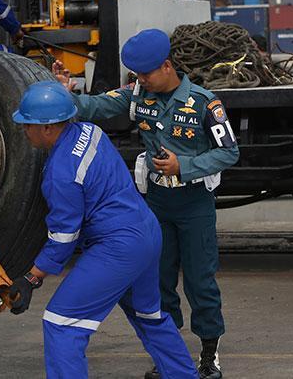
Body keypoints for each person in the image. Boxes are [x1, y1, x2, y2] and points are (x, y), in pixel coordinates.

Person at [53, 29, 239, 379]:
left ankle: (209, 354)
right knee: (159, 282)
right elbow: (96, 106)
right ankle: (169, 355)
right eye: (137, 76)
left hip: (194, 203)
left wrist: (184, 166)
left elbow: (229, 152)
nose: (139, 81)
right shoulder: (138, 95)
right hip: (155, 205)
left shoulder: (204, 102)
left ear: (166, 66)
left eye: (145, 75)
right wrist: (66, 96)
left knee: (200, 282)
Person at [7, 81, 197, 379]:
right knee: (150, 317)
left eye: (27, 125)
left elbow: (64, 237)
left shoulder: (61, 174)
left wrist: (32, 278)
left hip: (117, 247)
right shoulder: (90, 131)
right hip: (146, 233)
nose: (23, 130)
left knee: (61, 323)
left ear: (47, 128)